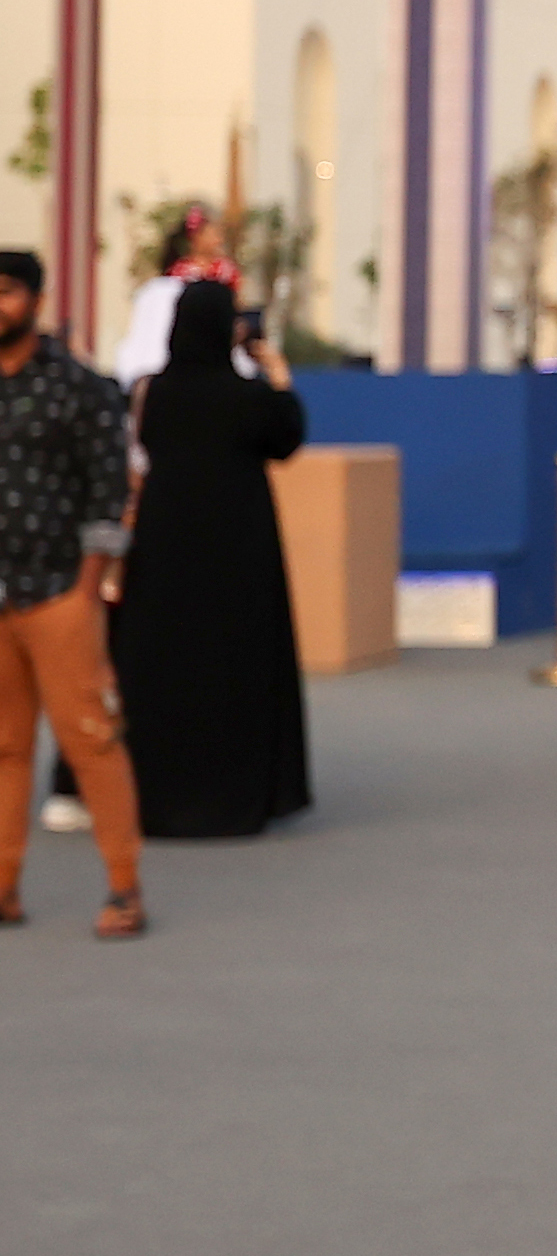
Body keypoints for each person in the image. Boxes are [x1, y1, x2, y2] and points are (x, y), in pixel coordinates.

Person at [99, 279, 313, 841]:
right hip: (237, 547)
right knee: (234, 663)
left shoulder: (153, 394)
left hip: (165, 547)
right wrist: (277, 370)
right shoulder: (246, 397)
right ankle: (236, 798)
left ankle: (158, 799)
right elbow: (287, 436)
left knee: (164, 667)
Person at [0, 248, 143, 935]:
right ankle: (4, 886)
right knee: (5, 748)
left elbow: (109, 489)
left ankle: (123, 888)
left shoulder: (79, 387)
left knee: (90, 740)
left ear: (34, 298)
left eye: (6, 292)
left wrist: (90, 589)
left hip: (60, 591)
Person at [112, 206, 238, 392]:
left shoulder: (226, 271)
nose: (218, 240)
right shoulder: (181, 273)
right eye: (212, 234)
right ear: (196, 238)